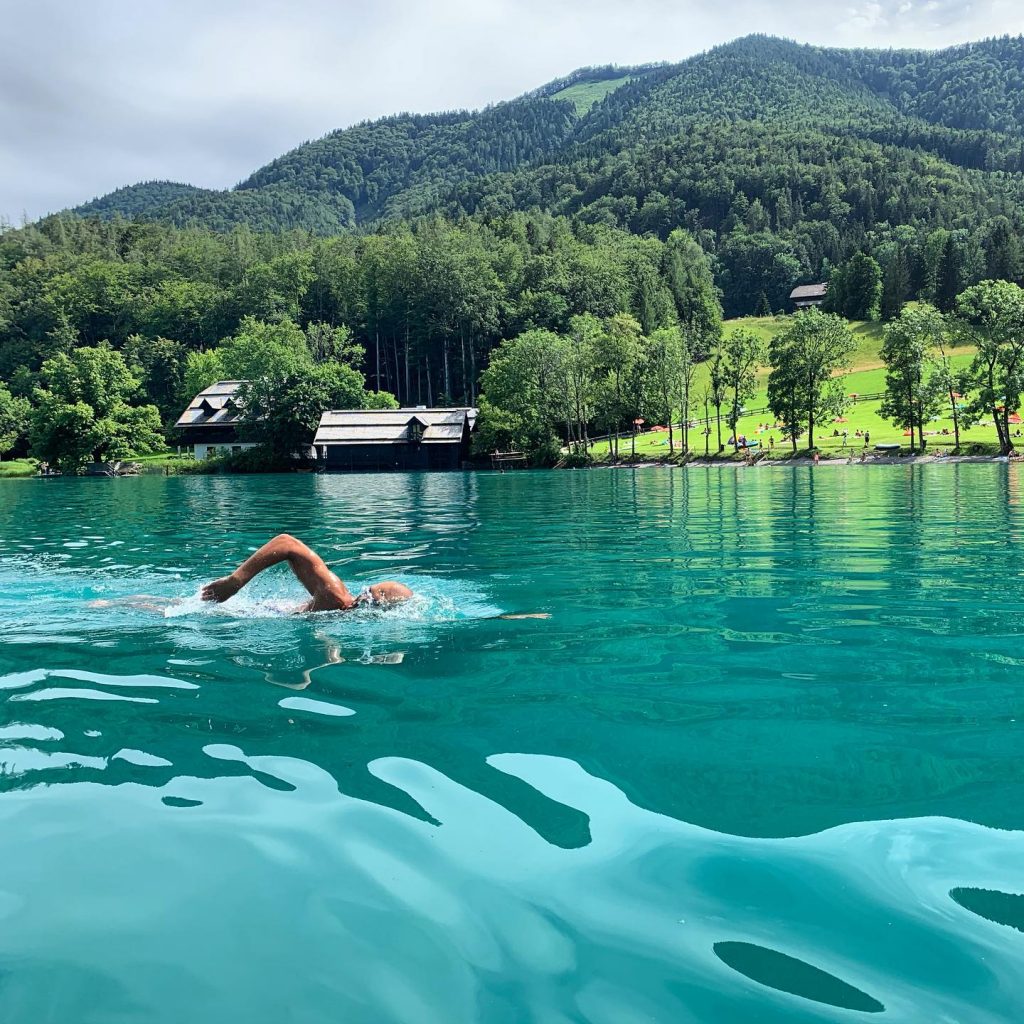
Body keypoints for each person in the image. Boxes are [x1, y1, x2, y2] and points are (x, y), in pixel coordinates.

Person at [202, 534, 413, 613]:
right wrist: (235, 582)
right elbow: (286, 542)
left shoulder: (340, 613)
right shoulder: (335, 596)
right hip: (244, 612)